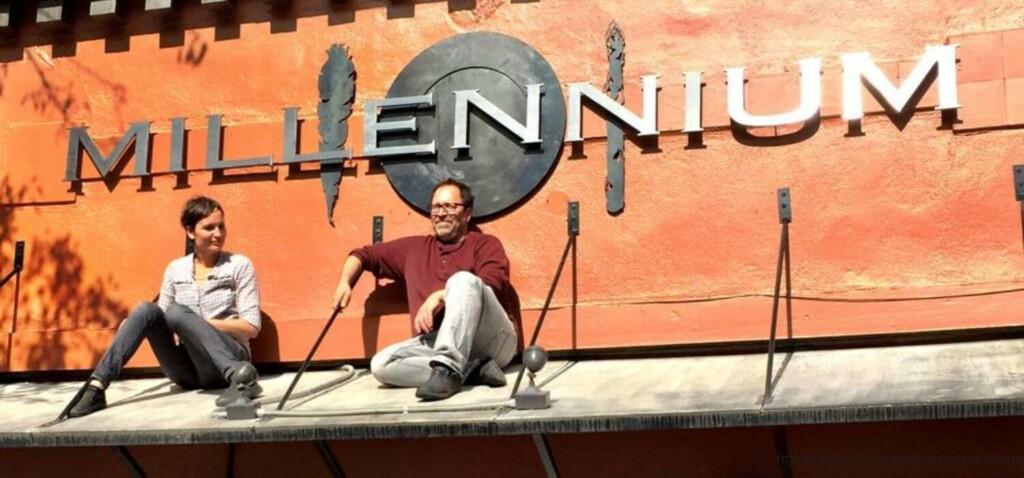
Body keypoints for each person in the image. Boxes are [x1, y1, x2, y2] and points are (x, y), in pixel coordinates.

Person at [67, 196, 262, 417]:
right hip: (187, 372)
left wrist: (199, 325)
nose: (218, 234)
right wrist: (133, 325)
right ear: (190, 232)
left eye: (221, 226)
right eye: (209, 228)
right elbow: (160, 317)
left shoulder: (239, 265)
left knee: (178, 313)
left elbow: (251, 327)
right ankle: (96, 387)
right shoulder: (175, 269)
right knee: (146, 310)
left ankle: (239, 377)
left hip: (229, 359)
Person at [332, 179, 521, 401]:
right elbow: (364, 255)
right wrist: (344, 282)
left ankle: (450, 368)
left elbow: (492, 283)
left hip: (492, 340)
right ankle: (471, 371)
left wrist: (439, 296)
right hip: (439, 341)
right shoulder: (415, 249)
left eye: (449, 206)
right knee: (381, 364)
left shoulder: (485, 244)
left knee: (463, 281)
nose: (440, 213)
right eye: (435, 207)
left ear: (467, 214)